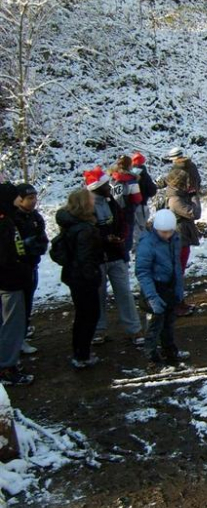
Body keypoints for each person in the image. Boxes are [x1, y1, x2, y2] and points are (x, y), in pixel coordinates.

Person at [84, 167, 145, 344]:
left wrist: (122, 237)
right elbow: (86, 232)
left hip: (116, 254)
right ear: (96, 187)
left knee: (124, 292)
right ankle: (98, 330)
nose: (109, 187)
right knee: (98, 295)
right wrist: (104, 238)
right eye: (104, 185)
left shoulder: (111, 202)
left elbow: (122, 221)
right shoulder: (87, 207)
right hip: (97, 258)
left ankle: (134, 329)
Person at [55, 189, 103, 370]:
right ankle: (82, 354)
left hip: (73, 275)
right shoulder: (85, 229)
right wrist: (93, 277)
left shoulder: (70, 223)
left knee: (82, 315)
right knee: (89, 315)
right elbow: (86, 258)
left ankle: (80, 351)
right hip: (83, 278)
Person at [135, 209, 189, 366]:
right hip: (155, 287)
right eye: (163, 232)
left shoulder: (174, 239)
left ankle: (170, 351)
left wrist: (179, 288)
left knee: (169, 323)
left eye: (169, 232)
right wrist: (152, 297)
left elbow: (176, 265)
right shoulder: (147, 244)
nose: (167, 235)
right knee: (155, 325)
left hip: (169, 286)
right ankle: (151, 356)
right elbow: (143, 272)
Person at [0, 183, 34, 385]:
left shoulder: (9, 220)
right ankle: (7, 367)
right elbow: (8, 255)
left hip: (10, 279)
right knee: (12, 324)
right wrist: (21, 269)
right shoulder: (5, 224)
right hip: (10, 281)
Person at [13, 183, 48, 354]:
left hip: (32, 265)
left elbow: (42, 239)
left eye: (34, 197)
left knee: (27, 302)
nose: (33, 201)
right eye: (29, 198)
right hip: (16, 269)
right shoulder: (13, 219)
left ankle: (22, 334)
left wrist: (36, 248)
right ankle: (16, 339)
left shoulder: (35, 217)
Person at [166, 167, 202, 316]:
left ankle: (178, 301)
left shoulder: (177, 195)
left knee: (179, 271)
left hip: (181, 235)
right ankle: (176, 304)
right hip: (179, 236)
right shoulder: (175, 200)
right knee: (177, 272)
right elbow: (195, 213)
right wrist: (194, 197)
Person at [110, 155, 143, 256]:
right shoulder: (131, 180)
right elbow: (138, 198)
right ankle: (124, 257)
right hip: (127, 212)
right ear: (130, 165)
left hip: (111, 211)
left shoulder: (111, 177)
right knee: (126, 236)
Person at [130, 152, 158, 247]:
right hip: (142, 206)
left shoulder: (128, 175)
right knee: (141, 229)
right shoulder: (145, 175)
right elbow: (152, 191)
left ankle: (136, 247)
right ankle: (143, 248)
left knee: (134, 229)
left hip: (129, 207)